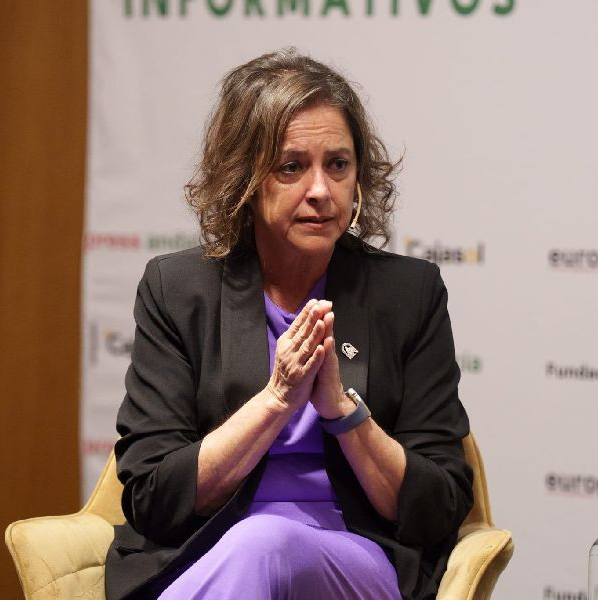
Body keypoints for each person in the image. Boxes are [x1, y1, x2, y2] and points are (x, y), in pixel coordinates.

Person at [105, 48, 473, 600]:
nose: (320, 190)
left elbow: (439, 503)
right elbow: (153, 495)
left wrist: (343, 413)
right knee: (257, 545)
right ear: (244, 178)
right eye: (291, 166)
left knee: (266, 544)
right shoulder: (178, 290)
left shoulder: (408, 294)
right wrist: (276, 401)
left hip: (357, 556)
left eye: (338, 165)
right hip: (207, 551)